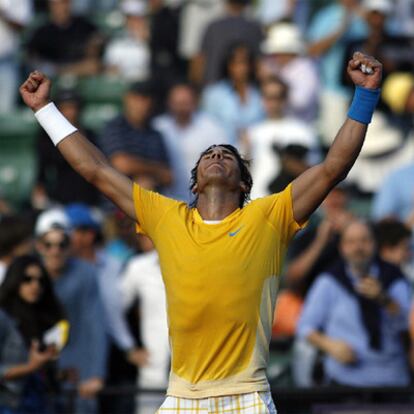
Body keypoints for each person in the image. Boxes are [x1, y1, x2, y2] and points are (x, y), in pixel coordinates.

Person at [20, 51, 382, 412]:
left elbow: (333, 167)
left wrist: (365, 95)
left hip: (246, 396)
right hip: (180, 397)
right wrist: (45, 110)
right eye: (208, 153)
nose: (216, 155)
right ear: (194, 185)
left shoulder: (269, 216)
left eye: (228, 154)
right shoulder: (166, 216)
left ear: (243, 184)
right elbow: (96, 170)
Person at [296, 220, 410, 386]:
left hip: (391, 379)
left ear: (375, 244)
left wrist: (385, 300)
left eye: (365, 241)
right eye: (351, 242)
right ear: (342, 247)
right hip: (345, 380)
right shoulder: (329, 281)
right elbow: (305, 327)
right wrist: (330, 345)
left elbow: (407, 326)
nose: (358, 248)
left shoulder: (393, 278)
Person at [34, 208, 107, 414]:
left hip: (77, 371)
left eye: (62, 244)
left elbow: (95, 324)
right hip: (36, 372)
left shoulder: (85, 273)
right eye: (48, 244)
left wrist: (96, 373)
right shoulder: (27, 273)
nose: (55, 250)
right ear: (38, 246)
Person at [0, 255, 67, 413]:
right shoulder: (4, 318)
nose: (35, 285)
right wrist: (29, 367)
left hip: (42, 402)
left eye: (40, 280)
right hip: (10, 404)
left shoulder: (44, 318)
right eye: (27, 279)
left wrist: (59, 374)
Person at [154, 82, 229, 202]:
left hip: (203, 201)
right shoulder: (158, 127)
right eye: (177, 103)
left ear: (195, 103)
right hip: (165, 199)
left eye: (186, 103)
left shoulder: (212, 127)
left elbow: (225, 161)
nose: (181, 108)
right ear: (169, 103)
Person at [120, 234, 169, 414]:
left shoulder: (199, 261)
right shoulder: (139, 267)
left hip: (195, 370)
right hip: (153, 369)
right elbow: (114, 309)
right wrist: (128, 348)